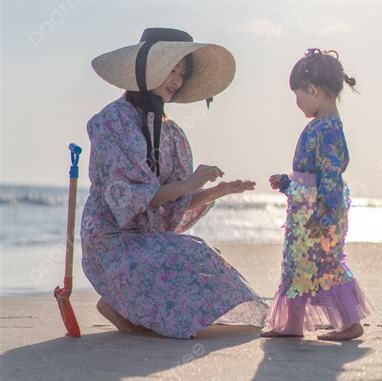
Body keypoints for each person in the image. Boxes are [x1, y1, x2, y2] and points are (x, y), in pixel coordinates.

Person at [80, 27, 267, 338]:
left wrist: (216, 192)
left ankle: (123, 307)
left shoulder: (173, 133)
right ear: (147, 69)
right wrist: (191, 183)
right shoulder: (111, 121)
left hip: (145, 239)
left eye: (182, 72)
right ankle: (120, 301)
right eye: (172, 69)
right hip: (111, 240)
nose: (177, 79)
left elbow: (172, 205)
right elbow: (129, 199)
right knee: (190, 256)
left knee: (202, 252)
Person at [262, 48, 372, 341]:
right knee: (297, 263)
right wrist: (286, 183)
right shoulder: (321, 126)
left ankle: (349, 323)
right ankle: (291, 323)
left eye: (297, 94)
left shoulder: (328, 130)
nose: (296, 102)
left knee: (324, 264)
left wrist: (324, 216)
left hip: (318, 213)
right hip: (305, 211)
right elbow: (308, 178)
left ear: (313, 90)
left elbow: (329, 177)